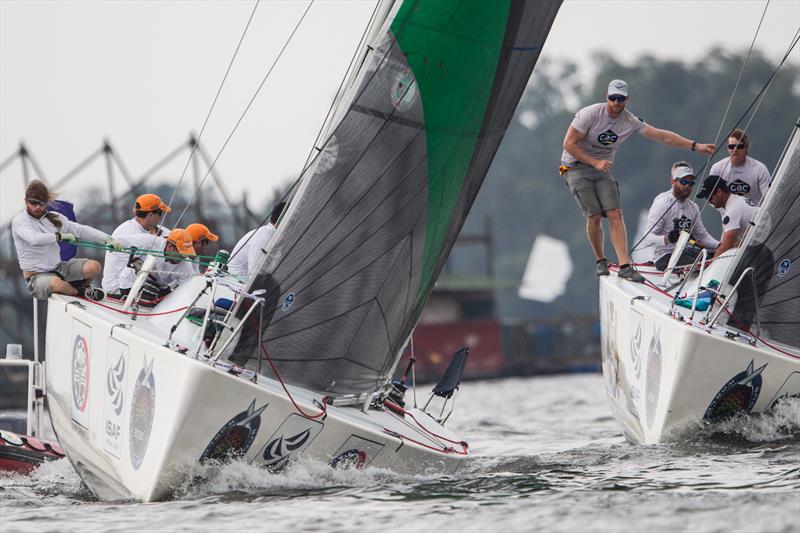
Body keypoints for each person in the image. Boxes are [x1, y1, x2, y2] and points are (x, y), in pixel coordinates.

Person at [561, 79, 715, 282]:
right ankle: (601, 260)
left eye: (621, 99)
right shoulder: (589, 114)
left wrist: (696, 146)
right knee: (595, 215)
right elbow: (569, 144)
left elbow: (662, 136)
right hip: (576, 166)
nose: (616, 103)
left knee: (615, 213)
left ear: (627, 100)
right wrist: (594, 162)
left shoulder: (629, 121)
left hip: (602, 169)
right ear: (606, 97)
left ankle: (625, 265)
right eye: (613, 98)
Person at [11, 180, 123, 301]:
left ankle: (78, 288)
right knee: (56, 283)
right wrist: (59, 236)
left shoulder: (54, 217)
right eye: (33, 203)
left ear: (47, 203)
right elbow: (34, 239)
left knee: (94, 267)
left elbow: (80, 230)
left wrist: (107, 239)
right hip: (37, 277)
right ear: (26, 201)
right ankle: (80, 292)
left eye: (41, 203)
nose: (37, 207)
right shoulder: (20, 221)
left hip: (60, 268)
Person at [646, 162, 719, 271]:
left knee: (715, 258)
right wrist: (667, 239)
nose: (687, 186)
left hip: (684, 252)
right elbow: (647, 238)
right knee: (703, 264)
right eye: (683, 182)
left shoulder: (693, 207)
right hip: (664, 257)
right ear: (673, 182)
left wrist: (720, 245)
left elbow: (702, 236)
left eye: (691, 183)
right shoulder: (662, 204)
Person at [103, 193, 171, 292]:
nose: (161, 217)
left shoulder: (157, 230)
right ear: (150, 215)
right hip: (118, 288)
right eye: (160, 213)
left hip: (139, 283)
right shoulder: (127, 232)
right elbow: (135, 265)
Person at [117, 229, 196, 300]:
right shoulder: (151, 241)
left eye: (186, 254)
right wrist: (113, 242)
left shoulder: (186, 265)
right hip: (130, 284)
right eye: (181, 253)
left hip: (157, 290)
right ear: (169, 246)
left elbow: (189, 288)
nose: (183, 257)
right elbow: (124, 241)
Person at [696, 176, 759, 259]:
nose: (709, 201)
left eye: (709, 197)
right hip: (762, 241)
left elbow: (725, 247)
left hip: (766, 244)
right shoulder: (737, 200)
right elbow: (734, 243)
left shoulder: (732, 211)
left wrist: (709, 266)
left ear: (719, 192)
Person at [709, 129, 770, 205]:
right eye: (731, 146)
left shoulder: (760, 169)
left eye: (739, 146)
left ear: (746, 148)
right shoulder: (717, 169)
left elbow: (769, 198)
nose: (735, 150)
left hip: (757, 214)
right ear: (727, 148)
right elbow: (711, 198)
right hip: (729, 215)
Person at [228, 202, 286, 279]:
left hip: (248, 281)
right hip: (238, 282)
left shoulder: (271, 233)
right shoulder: (265, 237)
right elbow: (255, 273)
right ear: (285, 219)